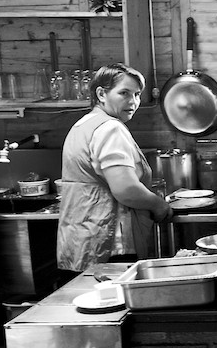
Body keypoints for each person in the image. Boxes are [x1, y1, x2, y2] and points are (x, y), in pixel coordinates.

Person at [57, 63, 172, 275]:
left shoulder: (83, 125)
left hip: (82, 239)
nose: (133, 101)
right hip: (111, 242)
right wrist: (159, 205)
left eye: (137, 94)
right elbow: (126, 189)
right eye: (124, 93)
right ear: (101, 94)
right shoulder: (110, 129)